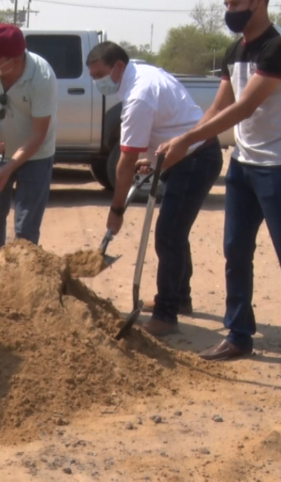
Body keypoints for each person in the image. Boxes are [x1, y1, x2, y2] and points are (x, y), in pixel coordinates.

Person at [155, 0, 281, 377]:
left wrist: (188, 141)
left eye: (235, 4)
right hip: (243, 165)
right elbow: (218, 108)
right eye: (226, 5)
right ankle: (238, 334)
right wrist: (180, 142)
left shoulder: (280, 47)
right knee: (235, 250)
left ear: (259, 0)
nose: (229, 11)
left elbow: (245, 108)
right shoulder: (235, 50)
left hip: (280, 167)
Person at [87, 42, 223, 337]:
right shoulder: (142, 74)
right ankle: (179, 297)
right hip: (185, 156)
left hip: (195, 160)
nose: (97, 82)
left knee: (169, 234)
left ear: (118, 67)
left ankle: (167, 314)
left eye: (100, 75)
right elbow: (169, 124)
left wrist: (117, 210)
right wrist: (154, 159)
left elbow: (125, 163)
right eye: (92, 76)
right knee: (176, 231)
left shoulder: (139, 96)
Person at [0, 24, 58, 263]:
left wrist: (10, 168)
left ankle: (23, 277)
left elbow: (39, 134)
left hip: (36, 154)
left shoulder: (42, 77)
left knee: (26, 226)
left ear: (14, 60)